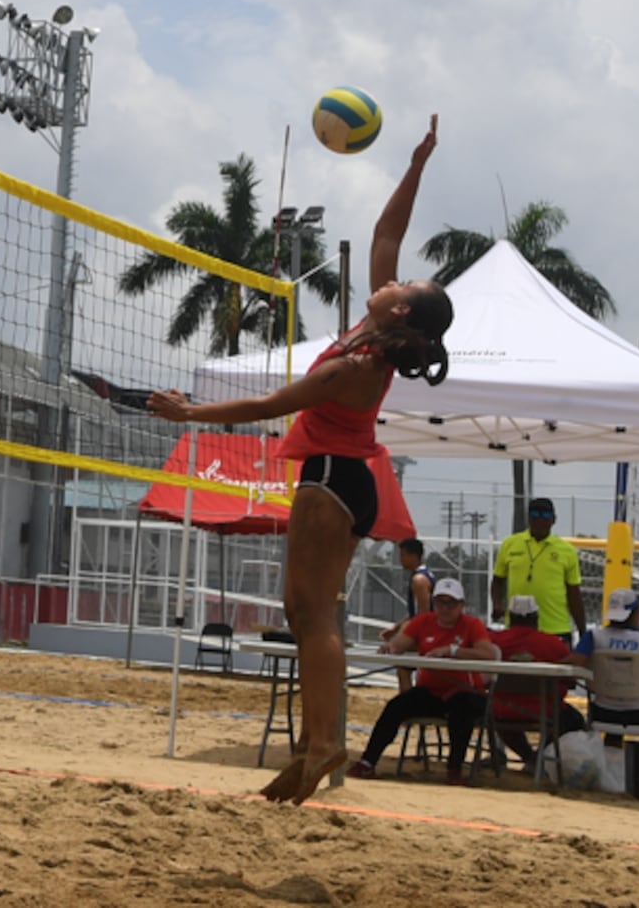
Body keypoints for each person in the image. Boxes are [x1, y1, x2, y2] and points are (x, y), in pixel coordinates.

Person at [148, 115, 453, 805]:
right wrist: (415, 165)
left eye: (402, 286)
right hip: (352, 479)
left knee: (312, 615)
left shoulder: (359, 361)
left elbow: (271, 405)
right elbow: (386, 234)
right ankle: (318, 739)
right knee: (308, 609)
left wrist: (190, 414)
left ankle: (323, 740)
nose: (391, 278)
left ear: (401, 312)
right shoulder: (373, 332)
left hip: (333, 480)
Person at [347, 577, 498, 785]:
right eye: (440, 602)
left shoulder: (472, 625)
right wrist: (390, 647)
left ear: (461, 605)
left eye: (450, 603)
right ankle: (367, 762)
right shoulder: (423, 621)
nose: (444, 609)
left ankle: (454, 770)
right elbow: (399, 644)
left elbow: (489, 654)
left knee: (463, 711)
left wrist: (453, 651)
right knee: (395, 706)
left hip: (463, 692)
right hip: (430, 692)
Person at [488, 594, 586, 767]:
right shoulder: (553, 644)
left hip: (502, 710)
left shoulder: (494, 642)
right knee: (573, 719)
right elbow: (570, 681)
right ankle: (540, 759)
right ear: (536, 618)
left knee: (499, 714)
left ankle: (530, 757)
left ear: (510, 616)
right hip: (544, 712)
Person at [569, 588, 639, 737]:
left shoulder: (593, 638)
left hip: (603, 712)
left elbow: (575, 664)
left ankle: (612, 751)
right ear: (636, 614)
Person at [491, 497, 587, 645]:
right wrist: (497, 604)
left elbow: (574, 593)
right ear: (528, 518)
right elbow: (498, 580)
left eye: (546, 515)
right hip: (518, 627)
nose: (540, 520)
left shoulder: (566, 550)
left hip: (555, 628)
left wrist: (582, 632)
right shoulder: (510, 544)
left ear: (554, 520)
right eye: (535, 515)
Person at [380, 537, 435, 692]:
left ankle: (407, 705)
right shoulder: (420, 576)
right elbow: (415, 613)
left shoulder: (419, 580)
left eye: (403, 555)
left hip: (427, 634)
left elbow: (424, 615)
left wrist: (411, 638)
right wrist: (396, 628)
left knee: (404, 670)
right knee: (405, 669)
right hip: (424, 631)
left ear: (413, 556)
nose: (401, 560)